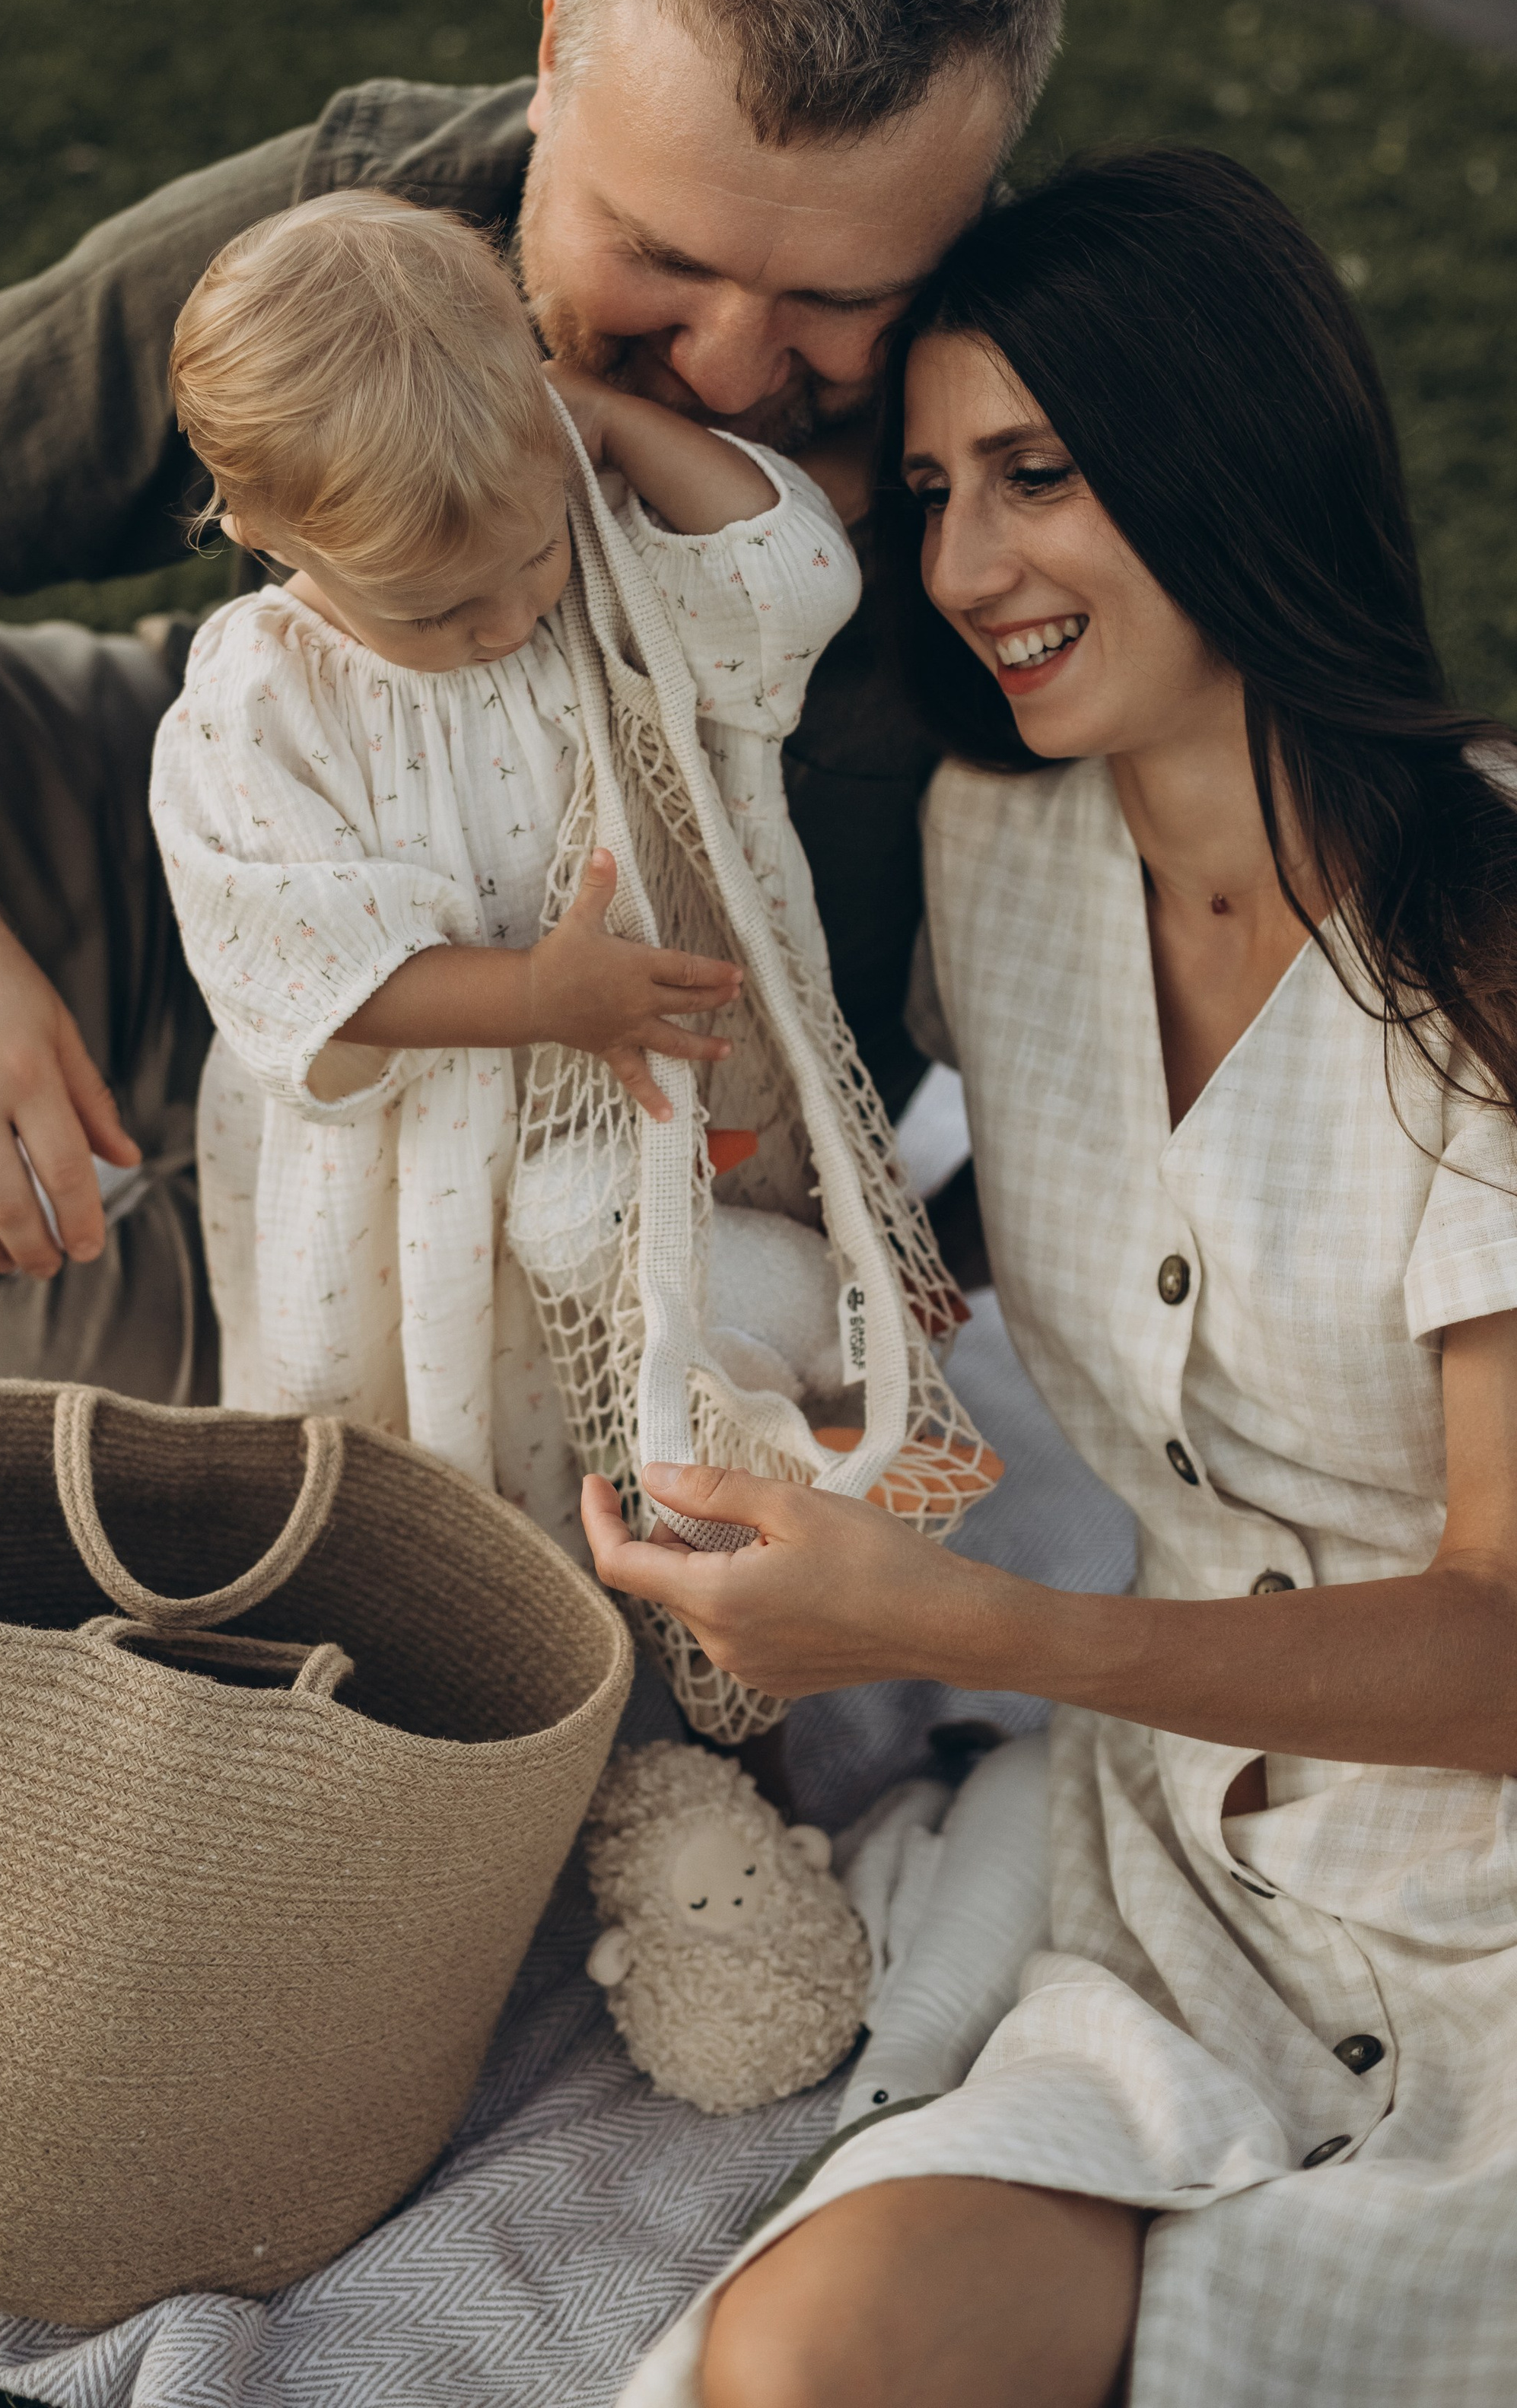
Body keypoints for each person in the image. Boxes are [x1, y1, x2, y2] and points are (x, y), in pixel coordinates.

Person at [0, 0, 1061, 1560]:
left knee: (21, 1503)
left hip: (515, 1199)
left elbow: (1236, 927)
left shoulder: (1050, 456)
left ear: (974, 201)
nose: (735, 374)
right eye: (656, 260)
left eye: (837, 300)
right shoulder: (380, 229)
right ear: (552, 54)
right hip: (236, 855)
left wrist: (924, 1279)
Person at [589, 149, 1517, 2408]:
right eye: (927, 490)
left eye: (1041, 474)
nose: (969, 565)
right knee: (801, 2368)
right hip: (1187, 1897)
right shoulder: (997, 844)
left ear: (1228, 459)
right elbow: (1128, 1206)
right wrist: (848, 1346)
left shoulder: (1489, 944)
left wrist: (960, 1629)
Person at [149, 187, 858, 1538]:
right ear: (263, 532)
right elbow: (301, 971)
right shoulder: (262, 707)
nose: (509, 619)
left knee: (656, 1384)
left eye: (530, 559)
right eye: (437, 608)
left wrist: (602, 426)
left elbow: (793, 584)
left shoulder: (589, 551)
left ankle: (708, 1641)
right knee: (435, 1431)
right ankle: (483, 1653)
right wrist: (538, 1000)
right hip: (414, 1178)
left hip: (621, 1124)